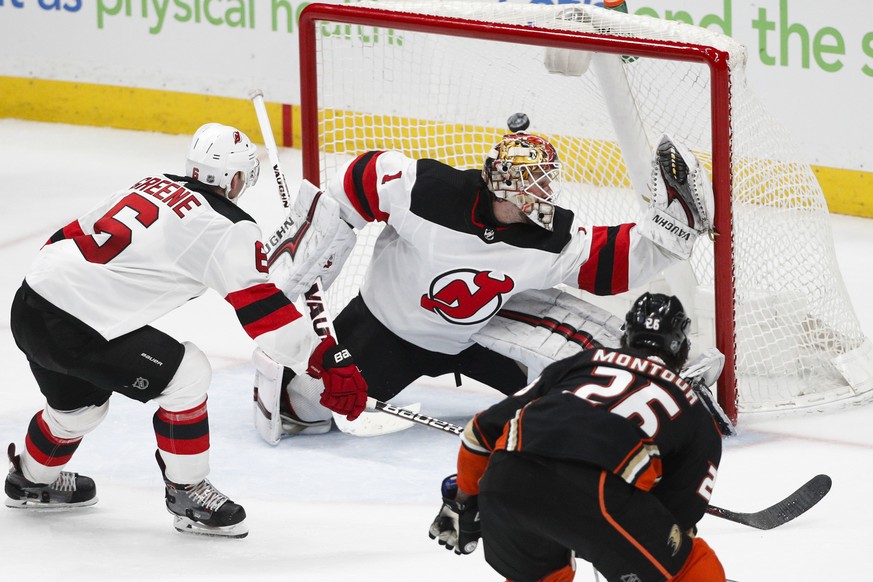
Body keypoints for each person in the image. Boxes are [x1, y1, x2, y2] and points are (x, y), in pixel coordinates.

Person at [4, 123, 367, 536]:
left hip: (31, 301)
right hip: (78, 324)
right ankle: (187, 492)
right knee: (188, 374)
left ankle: (30, 480)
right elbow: (262, 310)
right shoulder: (228, 227)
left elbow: (70, 234)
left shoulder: (151, 183)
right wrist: (321, 360)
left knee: (78, 410)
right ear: (235, 179)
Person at [262, 130, 714, 437]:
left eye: (546, 182)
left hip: (478, 335)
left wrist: (669, 232)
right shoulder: (429, 191)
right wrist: (315, 246)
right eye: (533, 183)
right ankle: (290, 380)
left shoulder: (547, 237)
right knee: (307, 405)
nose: (543, 193)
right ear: (502, 183)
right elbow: (360, 180)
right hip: (383, 330)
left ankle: (664, 385)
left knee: (565, 395)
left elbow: (608, 263)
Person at [428, 292, 726, 582]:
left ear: (626, 337)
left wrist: (462, 502)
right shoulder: (694, 413)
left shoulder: (582, 363)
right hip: (595, 494)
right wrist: (595, 531)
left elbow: (479, 432)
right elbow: (678, 518)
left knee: (543, 577)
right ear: (681, 348)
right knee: (689, 566)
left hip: (504, 481)